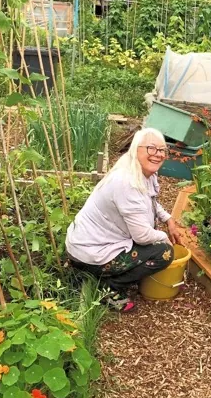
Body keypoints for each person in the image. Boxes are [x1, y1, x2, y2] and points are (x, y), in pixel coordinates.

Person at [65, 127, 181, 310]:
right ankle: (109, 288)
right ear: (136, 150)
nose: (157, 154)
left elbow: (151, 201)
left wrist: (169, 220)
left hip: (90, 243)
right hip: (91, 253)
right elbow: (142, 236)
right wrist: (164, 238)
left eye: (161, 150)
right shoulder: (127, 183)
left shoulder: (143, 172)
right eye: (151, 148)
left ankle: (99, 275)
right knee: (164, 252)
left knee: (156, 243)